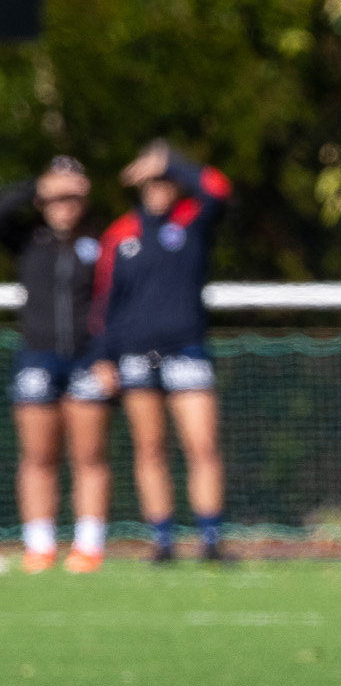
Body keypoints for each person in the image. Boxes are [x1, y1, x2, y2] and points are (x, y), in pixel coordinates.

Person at [94, 141, 233, 564]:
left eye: (166, 180)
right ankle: (163, 541)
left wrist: (173, 161)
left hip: (184, 349)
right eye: (152, 180)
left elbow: (219, 189)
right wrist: (104, 356)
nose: (159, 188)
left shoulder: (192, 219)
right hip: (139, 354)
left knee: (201, 442)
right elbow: (106, 303)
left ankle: (210, 539)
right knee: (150, 447)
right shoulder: (120, 234)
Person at [3, 157, 112, 572]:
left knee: (89, 455)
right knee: (37, 456)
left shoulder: (102, 239)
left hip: (89, 358)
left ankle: (88, 545)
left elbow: (115, 303)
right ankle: (39, 545)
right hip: (38, 356)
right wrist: (36, 184)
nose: (65, 204)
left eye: (73, 196)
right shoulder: (28, 237)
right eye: (57, 196)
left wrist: (106, 356)